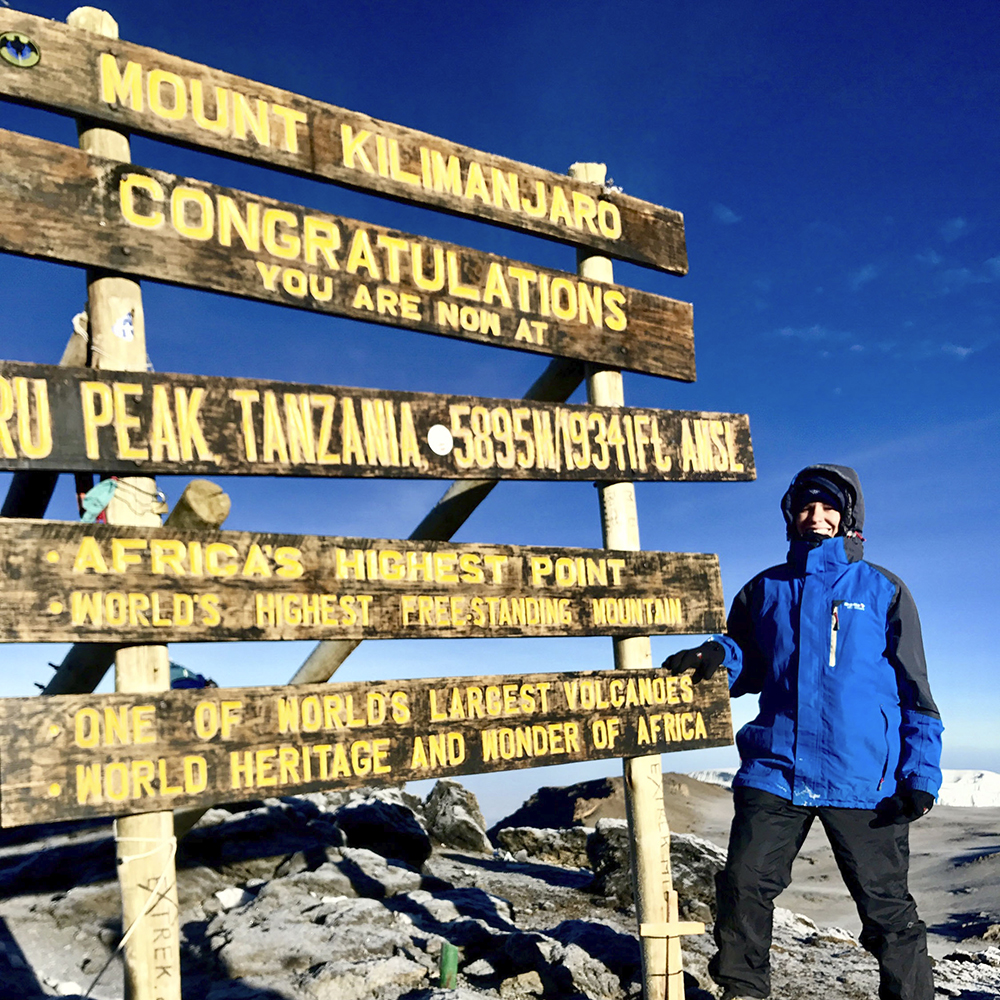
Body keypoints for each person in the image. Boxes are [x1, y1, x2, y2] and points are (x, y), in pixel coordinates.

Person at [664, 464, 942, 1000]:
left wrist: (920, 772)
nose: (816, 516)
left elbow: (916, 690)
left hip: (865, 779)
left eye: (829, 506)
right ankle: (743, 992)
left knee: (887, 910)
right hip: (777, 771)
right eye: (805, 506)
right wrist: (715, 654)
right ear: (791, 514)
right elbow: (746, 661)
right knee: (744, 888)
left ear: (850, 515)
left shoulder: (883, 589)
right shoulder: (764, 588)